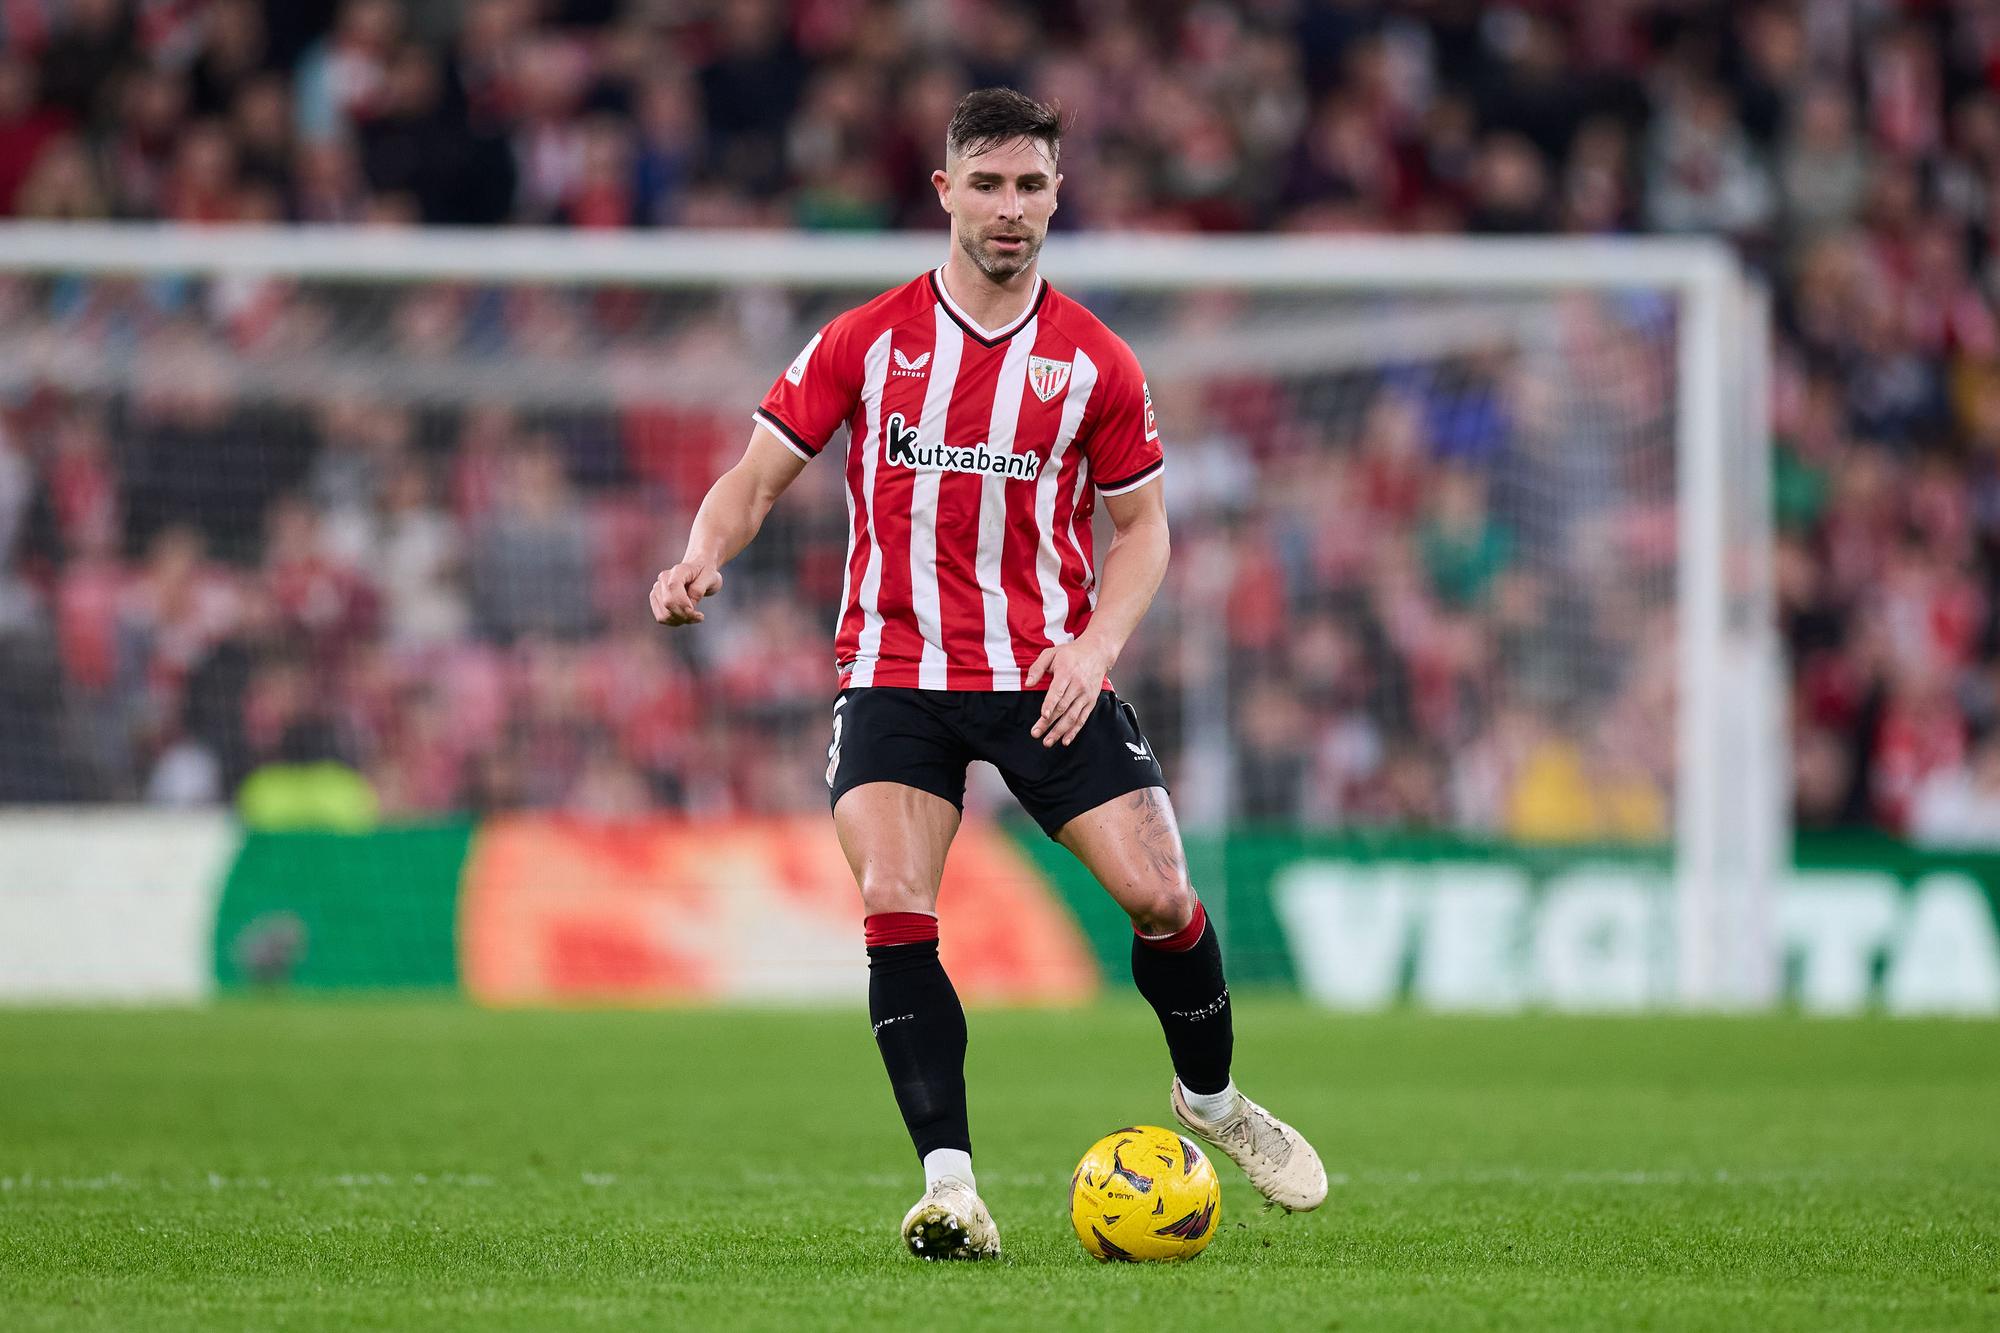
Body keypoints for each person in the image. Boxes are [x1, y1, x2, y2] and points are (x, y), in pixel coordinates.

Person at [651, 88, 1326, 1260]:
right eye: (988, 183)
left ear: (1057, 195)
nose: (1008, 209)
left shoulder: (1095, 364)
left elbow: (1146, 532)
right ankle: (951, 1188)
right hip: (895, 670)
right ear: (944, 192)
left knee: (1161, 896)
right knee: (893, 901)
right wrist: (700, 554)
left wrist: (1095, 644)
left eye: (1030, 186)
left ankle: (1211, 1103)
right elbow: (753, 478)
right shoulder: (866, 340)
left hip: (1043, 674)